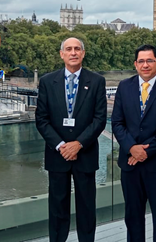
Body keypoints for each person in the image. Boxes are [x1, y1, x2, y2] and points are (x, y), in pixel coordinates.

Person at [35, 37, 107, 242]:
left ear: (83, 54)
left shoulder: (97, 81)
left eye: (77, 49)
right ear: (62, 54)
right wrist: (61, 146)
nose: (73, 52)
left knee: (86, 207)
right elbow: (41, 119)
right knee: (57, 208)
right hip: (57, 155)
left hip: (85, 154)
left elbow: (99, 119)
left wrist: (79, 144)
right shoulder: (48, 82)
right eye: (69, 49)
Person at [111, 44, 156, 242]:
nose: (145, 65)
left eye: (149, 60)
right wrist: (132, 148)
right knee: (132, 217)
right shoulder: (124, 87)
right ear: (135, 64)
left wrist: (145, 151)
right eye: (141, 61)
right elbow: (117, 122)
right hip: (130, 164)